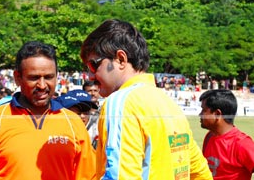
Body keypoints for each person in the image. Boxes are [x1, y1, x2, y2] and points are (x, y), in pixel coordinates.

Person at [80, 19, 212, 179]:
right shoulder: (168, 103)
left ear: (121, 59)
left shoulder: (121, 102)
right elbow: (200, 172)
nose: (90, 75)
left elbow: (120, 176)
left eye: (93, 65)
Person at [0, 41, 96, 180]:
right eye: (34, 78)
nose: (42, 85)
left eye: (49, 77)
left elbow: (88, 175)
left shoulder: (73, 122)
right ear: (18, 78)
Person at [199, 89, 254, 180]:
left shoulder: (242, 144)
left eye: (203, 110)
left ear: (217, 114)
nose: (200, 114)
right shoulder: (209, 137)